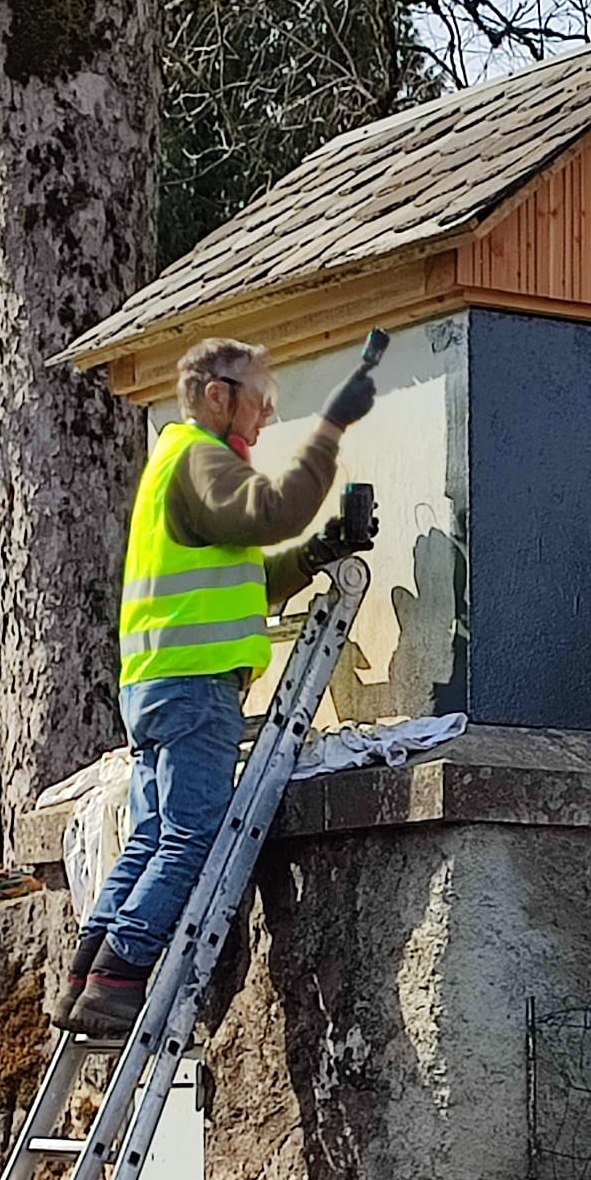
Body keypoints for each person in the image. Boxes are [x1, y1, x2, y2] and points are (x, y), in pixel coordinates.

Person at [57, 336, 377, 1036]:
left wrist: (318, 553)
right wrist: (332, 429)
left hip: (154, 684)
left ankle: (87, 975)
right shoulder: (204, 459)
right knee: (194, 836)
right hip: (195, 686)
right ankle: (121, 974)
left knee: (150, 837)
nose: (265, 419)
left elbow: (247, 580)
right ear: (216, 395)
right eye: (260, 403)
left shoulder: (172, 466)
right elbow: (269, 514)